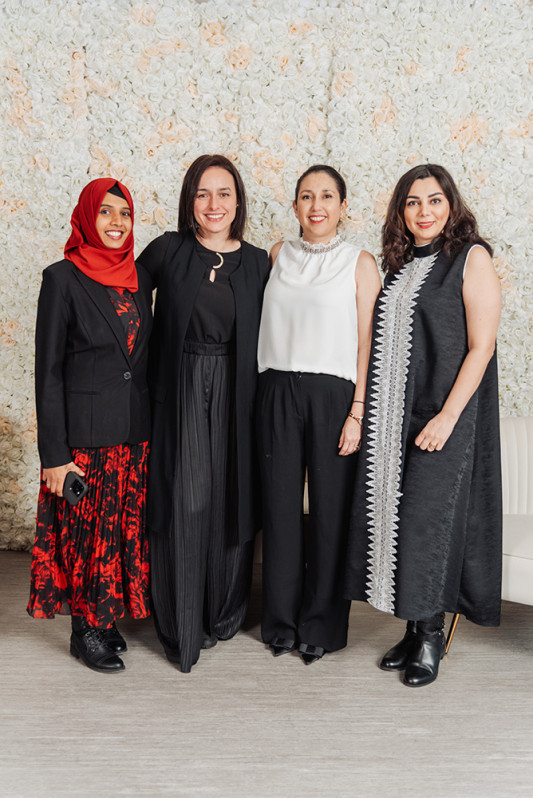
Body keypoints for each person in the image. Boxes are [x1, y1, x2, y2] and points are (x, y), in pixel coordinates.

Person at [345, 164, 502, 687]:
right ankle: (414, 630)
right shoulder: (401, 264)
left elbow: (481, 347)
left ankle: (432, 636)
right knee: (397, 519)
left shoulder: (471, 258)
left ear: (451, 205)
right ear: (401, 211)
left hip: (445, 415)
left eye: (434, 200)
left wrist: (448, 416)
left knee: (426, 524)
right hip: (396, 418)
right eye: (413, 202)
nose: (424, 211)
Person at [138, 154, 270, 673]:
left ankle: (222, 613)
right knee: (185, 500)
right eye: (202, 193)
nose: (214, 204)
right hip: (181, 385)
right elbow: (118, 298)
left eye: (224, 193)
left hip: (240, 389)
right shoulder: (167, 250)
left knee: (232, 496)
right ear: (189, 200)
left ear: (238, 202)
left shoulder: (258, 262)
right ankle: (181, 624)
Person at [256, 165, 381, 664]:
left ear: (343, 206)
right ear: (295, 206)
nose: (316, 206)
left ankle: (322, 626)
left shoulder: (360, 263)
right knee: (280, 510)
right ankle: (280, 622)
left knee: (330, 512)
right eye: (307, 196)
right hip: (275, 389)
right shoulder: (275, 255)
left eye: (327, 196)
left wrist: (357, 412)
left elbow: (369, 344)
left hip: (334, 395)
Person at [27, 178, 153, 673]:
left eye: (125, 213)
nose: (117, 222)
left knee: (118, 532)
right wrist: (55, 456)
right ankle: (85, 631)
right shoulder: (61, 279)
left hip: (133, 434)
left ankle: (105, 616)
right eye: (105, 211)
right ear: (86, 216)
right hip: (83, 438)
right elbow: (48, 372)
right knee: (85, 536)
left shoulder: (138, 277)